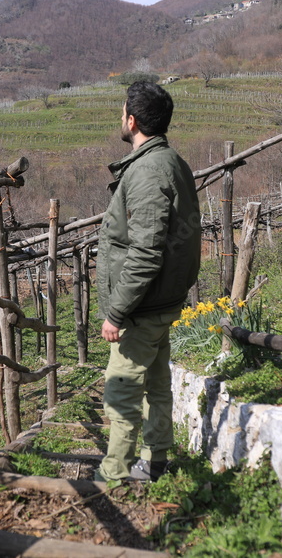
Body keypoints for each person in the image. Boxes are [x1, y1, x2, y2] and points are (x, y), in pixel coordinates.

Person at [95, 81, 201, 483]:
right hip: (161, 301)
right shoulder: (171, 161)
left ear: (132, 121)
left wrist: (117, 311)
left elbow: (145, 252)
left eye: (122, 111)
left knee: (121, 390)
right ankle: (155, 461)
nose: (120, 117)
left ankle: (114, 476)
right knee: (157, 384)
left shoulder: (145, 173)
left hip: (142, 307)